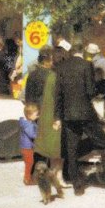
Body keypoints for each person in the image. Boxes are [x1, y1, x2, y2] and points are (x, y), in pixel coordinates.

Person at [53, 41, 105, 196]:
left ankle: (77, 186)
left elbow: (58, 95)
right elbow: (90, 91)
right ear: (83, 52)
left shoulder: (61, 67)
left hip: (68, 115)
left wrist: (57, 116)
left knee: (71, 149)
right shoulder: (87, 65)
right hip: (86, 113)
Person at [34, 47, 65, 190]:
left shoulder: (52, 75)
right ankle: (57, 176)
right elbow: (57, 99)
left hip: (49, 115)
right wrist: (57, 118)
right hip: (55, 116)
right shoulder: (56, 76)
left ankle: (57, 176)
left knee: (55, 148)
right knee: (56, 148)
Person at [19, 103, 39, 185]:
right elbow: (32, 135)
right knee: (29, 163)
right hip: (27, 147)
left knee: (29, 163)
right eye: (36, 114)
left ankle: (28, 178)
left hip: (26, 147)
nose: (38, 116)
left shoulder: (28, 123)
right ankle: (27, 179)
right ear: (29, 115)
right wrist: (39, 135)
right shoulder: (28, 124)